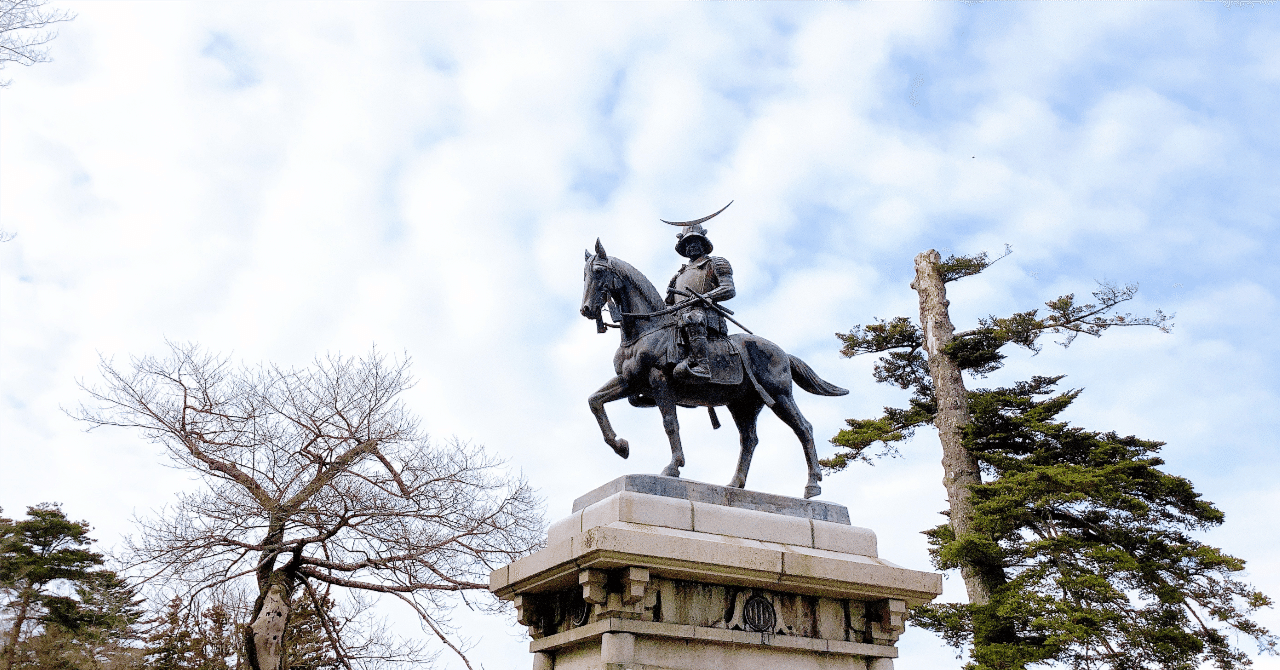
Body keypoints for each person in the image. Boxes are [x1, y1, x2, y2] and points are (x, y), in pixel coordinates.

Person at [665, 222, 736, 381]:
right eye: (687, 244)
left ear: (703, 243)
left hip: (704, 316)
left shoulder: (715, 263)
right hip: (679, 319)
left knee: (693, 318)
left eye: (694, 241)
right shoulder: (677, 276)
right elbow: (669, 303)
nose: (691, 246)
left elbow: (729, 288)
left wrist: (707, 297)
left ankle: (703, 366)